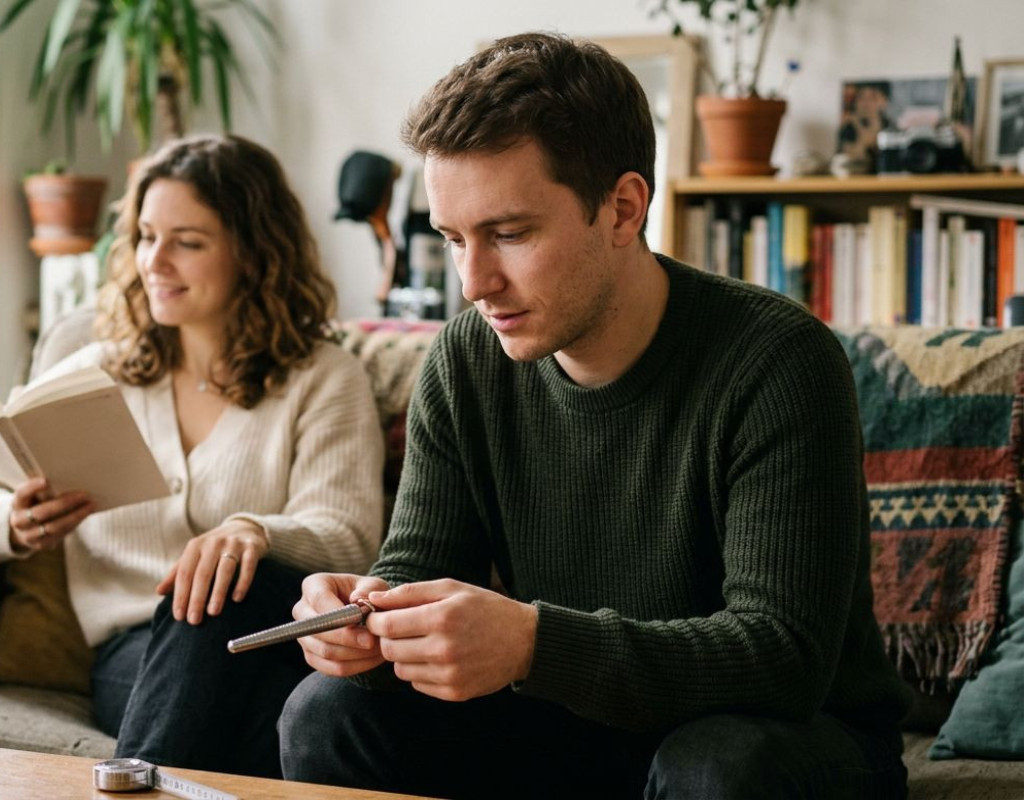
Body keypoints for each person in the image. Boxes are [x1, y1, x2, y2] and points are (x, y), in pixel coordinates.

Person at [278, 33, 912, 799]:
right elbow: (418, 571)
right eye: (453, 239)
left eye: (509, 234)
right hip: (569, 721)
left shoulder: (777, 360)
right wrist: (366, 623)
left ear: (622, 209)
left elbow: (781, 657)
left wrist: (532, 645)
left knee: (717, 769)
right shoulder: (464, 360)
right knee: (327, 713)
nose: (474, 281)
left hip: (786, 737)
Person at [0, 134, 384, 779]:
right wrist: (7, 522)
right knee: (282, 710)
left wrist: (251, 532)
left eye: (187, 241)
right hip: (137, 654)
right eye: (146, 237)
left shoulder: (323, 377)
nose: (155, 260)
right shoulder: (103, 374)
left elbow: (350, 535)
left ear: (253, 252)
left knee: (232, 592)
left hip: (272, 637)